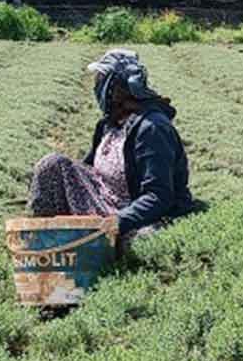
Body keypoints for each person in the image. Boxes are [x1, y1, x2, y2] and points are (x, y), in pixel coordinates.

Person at [27, 49, 195, 242]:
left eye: (100, 79)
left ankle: (96, 247)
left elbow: (159, 196)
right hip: (101, 201)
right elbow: (87, 170)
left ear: (116, 88)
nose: (96, 86)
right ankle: (42, 240)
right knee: (52, 164)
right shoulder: (109, 124)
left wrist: (117, 222)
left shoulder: (152, 129)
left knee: (143, 240)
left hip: (132, 212)